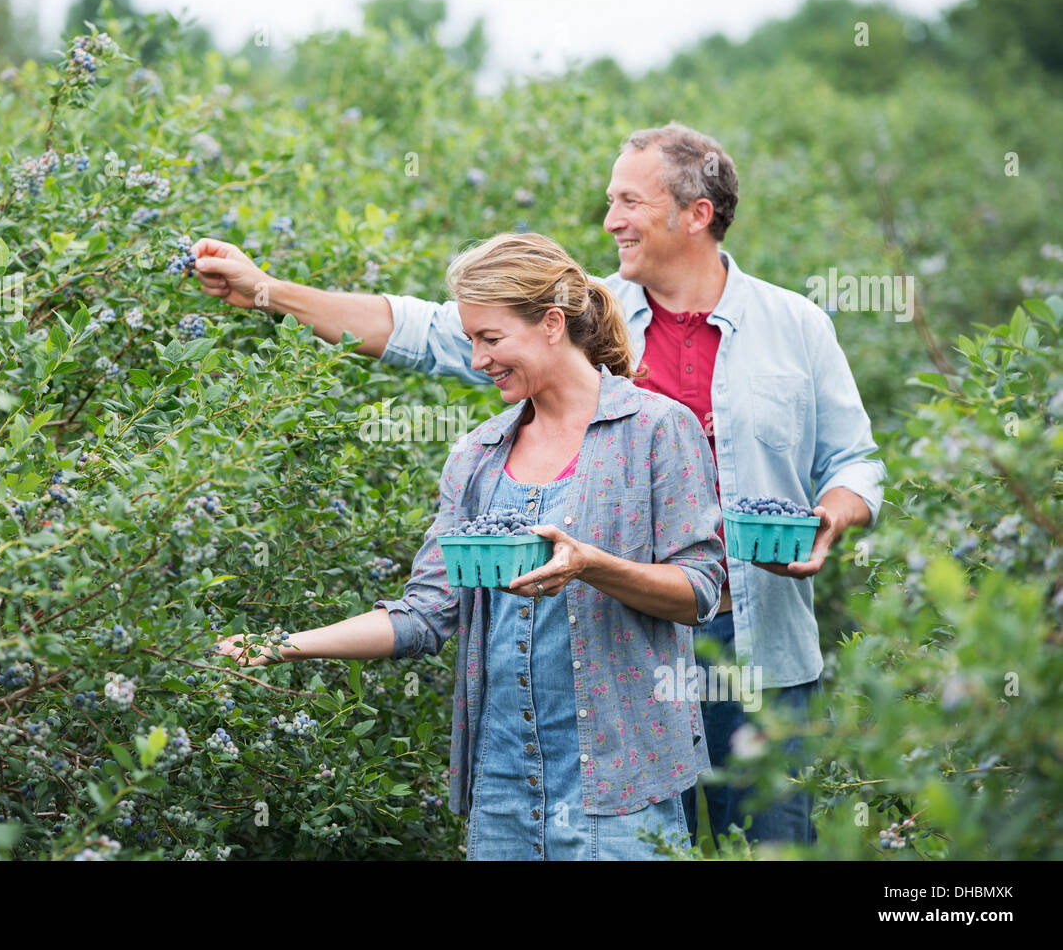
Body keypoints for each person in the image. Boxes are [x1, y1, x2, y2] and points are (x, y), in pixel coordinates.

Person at [194, 122, 886, 847]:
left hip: (756, 640)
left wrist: (830, 518)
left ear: (696, 213)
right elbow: (430, 330)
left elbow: (855, 459)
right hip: (623, 655)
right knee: (640, 821)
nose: (610, 220)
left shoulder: (792, 326)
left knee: (770, 845)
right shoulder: (574, 328)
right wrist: (269, 289)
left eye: (628, 201)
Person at [216, 232, 726, 860]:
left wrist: (590, 565)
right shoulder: (478, 455)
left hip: (620, 785)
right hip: (505, 785)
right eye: (471, 342)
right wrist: (275, 648)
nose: (480, 360)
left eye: (491, 339)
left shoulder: (655, 431)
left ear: (550, 324)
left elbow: (700, 591)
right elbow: (427, 613)